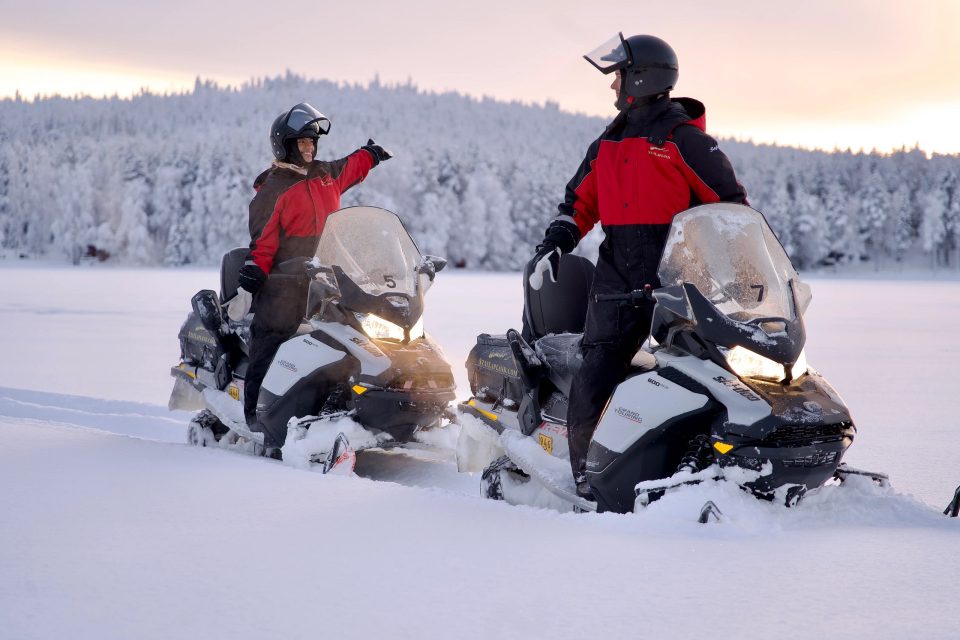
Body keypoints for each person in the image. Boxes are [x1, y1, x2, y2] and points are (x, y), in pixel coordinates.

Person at [528, 34, 747, 497]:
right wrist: (557, 241)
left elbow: (731, 208)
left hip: (681, 279)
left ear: (641, 78)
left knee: (706, 376)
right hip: (617, 278)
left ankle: (715, 468)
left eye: (618, 77)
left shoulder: (684, 139)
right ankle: (589, 479)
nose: (613, 88)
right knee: (597, 372)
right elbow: (579, 204)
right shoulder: (606, 142)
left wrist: (743, 267)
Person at [233, 102, 392, 445]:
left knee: (352, 338)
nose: (308, 147)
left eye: (311, 142)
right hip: (284, 282)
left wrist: (372, 153)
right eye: (301, 142)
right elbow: (262, 243)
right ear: (285, 144)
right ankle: (255, 417)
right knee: (271, 337)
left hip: (326, 279)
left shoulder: (325, 174)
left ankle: (343, 405)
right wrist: (251, 280)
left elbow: (351, 166)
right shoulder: (273, 188)